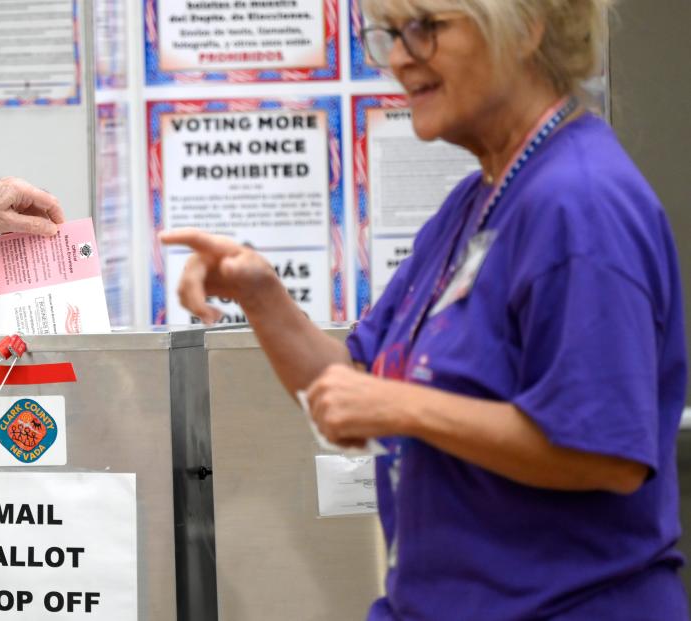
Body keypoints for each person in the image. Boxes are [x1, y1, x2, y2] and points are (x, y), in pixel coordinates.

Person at [164, 0, 686, 618]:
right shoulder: (476, 201)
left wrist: (407, 408)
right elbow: (352, 396)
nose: (402, 58)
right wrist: (261, 296)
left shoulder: (581, 203)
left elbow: (605, 453)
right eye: (388, 34)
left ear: (528, 27)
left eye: (426, 28)